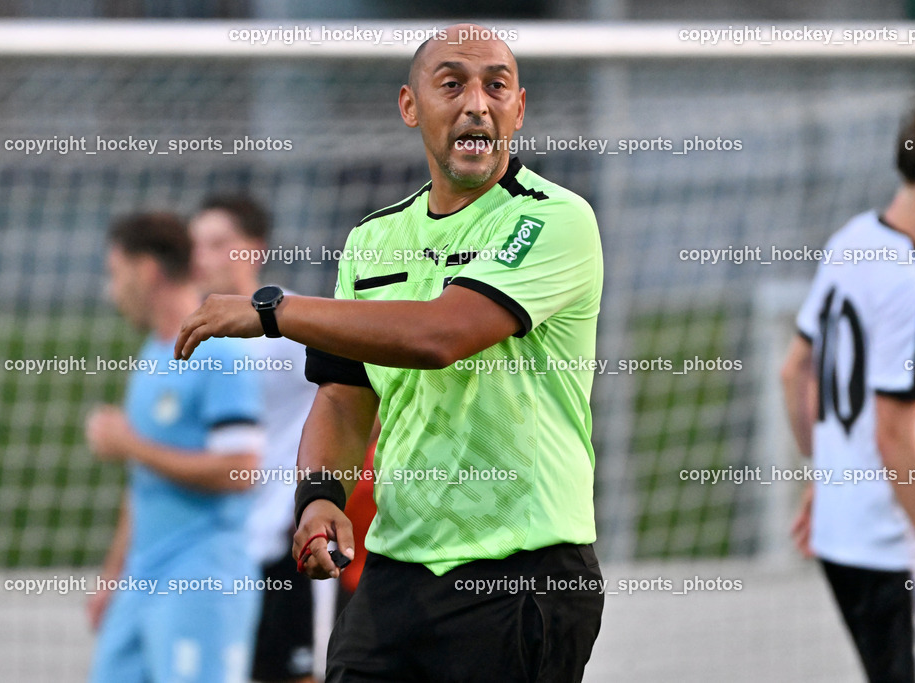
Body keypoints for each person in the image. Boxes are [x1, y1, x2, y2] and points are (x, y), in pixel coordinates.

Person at [174, 23, 605, 682]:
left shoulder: (554, 219)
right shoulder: (373, 240)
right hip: (396, 571)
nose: (477, 104)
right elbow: (346, 397)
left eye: (497, 86)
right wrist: (320, 496)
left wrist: (273, 310)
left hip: (524, 569)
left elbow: (440, 335)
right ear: (410, 107)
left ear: (519, 108)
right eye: (453, 83)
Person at [781, 92, 915, 683]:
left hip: (847, 534)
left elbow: (794, 371)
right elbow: (894, 433)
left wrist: (826, 471)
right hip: (890, 543)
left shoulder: (852, 239)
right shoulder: (912, 284)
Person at [86, 212, 263, 683]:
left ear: (146, 271)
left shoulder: (219, 350)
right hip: (139, 580)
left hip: (201, 578)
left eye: (115, 273)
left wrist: (132, 445)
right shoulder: (151, 353)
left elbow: (242, 470)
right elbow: (141, 483)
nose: (112, 289)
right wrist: (113, 575)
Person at [190, 195, 328, 683]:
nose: (202, 256)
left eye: (218, 243)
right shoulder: (189, 334)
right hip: (212, 548)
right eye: (196, 245)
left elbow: (359, 401)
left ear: (253, 249)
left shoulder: (290, 325)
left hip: (277, 546)